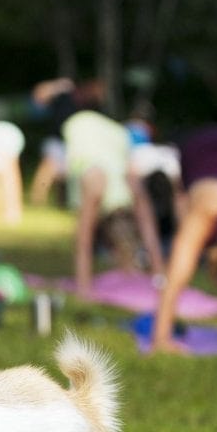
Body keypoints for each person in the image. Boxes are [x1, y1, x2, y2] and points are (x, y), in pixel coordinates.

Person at [151, 126, 217, 354]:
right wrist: (161, 339)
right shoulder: (206, 210)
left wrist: (162, 337)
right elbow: (176, 273)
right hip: (200, 147)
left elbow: (175, 275)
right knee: (184, 219)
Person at [62, 110, 166, 298]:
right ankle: (112, 274)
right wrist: (84, 290)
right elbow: (82, 242)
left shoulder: (128, 185)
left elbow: (84, 241)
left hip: (108, 133)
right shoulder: (107, 184)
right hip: (85, 127)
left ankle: (124, 271)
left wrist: (160, 278)